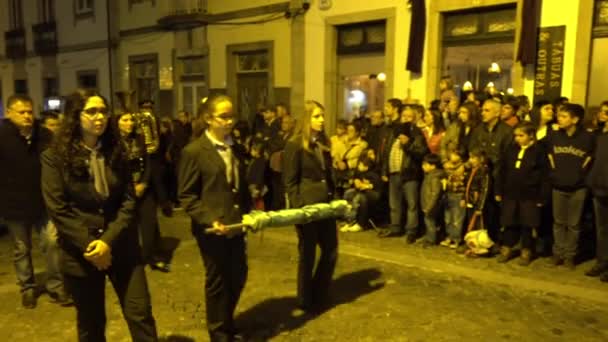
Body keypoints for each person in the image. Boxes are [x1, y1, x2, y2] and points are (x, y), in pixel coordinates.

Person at [41, 90, 157, 340]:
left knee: (140, 314)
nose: (99, 117)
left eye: (103, 111)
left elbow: (128, 201)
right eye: (91, 111)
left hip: (121, 245)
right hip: (82, 252)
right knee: (91, 324)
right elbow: (58, 209)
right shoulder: (55, 158)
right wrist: (92, 246)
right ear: (75, 116)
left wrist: (108, 241)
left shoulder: (118, 151)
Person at [178, 94, 251, 341]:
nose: (229, 121)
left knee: (239, 275)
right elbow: (187, 195)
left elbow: (238, 186)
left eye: (232, 116)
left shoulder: (236, 147)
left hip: (236, 224)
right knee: (218, 280)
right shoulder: (195, 151)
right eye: (223, 117)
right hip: (212, 228)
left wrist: (249, 211)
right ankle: (219, 332)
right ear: (208, 119)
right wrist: (209, 220)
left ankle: (227, 321)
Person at [0, 94, 70, 308]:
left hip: (43, 200)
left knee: (51, 241)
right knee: (21, 248)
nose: (27, 116)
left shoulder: (45, 135)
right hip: (13, 203)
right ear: (9, 113)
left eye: (30, 111)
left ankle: (56, 287)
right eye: (22, 112)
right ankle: (27, 287)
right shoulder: (2, 136)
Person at [283, 100, 338, 314]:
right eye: (316, 116)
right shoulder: (295, 144)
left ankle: (319, 292)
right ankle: (305, 298)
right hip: (307, 206)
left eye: (322, 116)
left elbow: (327, 174)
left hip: (326, 205)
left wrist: (334, 199)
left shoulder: (324, 142)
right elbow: (290, 181)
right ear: (307, 119)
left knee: (331, 251)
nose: (322, 120)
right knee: (307, 254)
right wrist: (298, 209)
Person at [114, 111, 169, 272]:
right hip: (125, 189)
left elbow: (148, 163)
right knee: (127, 225)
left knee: (149, 223)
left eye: (131, 119)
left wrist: (144, 183)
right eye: (125, 120)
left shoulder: (139, 139)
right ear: (117, 123)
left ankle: (150, 255)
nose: (129, 123)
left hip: (144, 187)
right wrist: (131, 187)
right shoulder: (114, 143)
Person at [546, 103, 595, 269]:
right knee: (558, 222)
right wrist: (553, 174)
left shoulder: (587, 138)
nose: (559, 119)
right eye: (559, 115)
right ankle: (558, 253)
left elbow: (591, 159)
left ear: (575, 119)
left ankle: (570, 255)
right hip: (558, 185)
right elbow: (548, 155)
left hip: (578, 187)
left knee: (574, 224)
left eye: (563, 116)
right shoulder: (554, 135)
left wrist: (583, 177)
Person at [497, 122, 549, 265]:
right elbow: (502, 170)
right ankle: (507, 248)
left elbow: (544, 175)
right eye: (516, 136)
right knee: (509, 222)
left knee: (527, 223)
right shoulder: (511, 149)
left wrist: (542, 196)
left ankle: (526, 250)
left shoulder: (538, 152)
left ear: (531, 136)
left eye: (521, 135)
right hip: (511, 192)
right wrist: (499, 189)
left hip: (530, 194)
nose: (517, 139)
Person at [378, 107, 429, 241]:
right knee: (394, 203)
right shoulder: (394, 133)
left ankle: (411, 231)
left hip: (409, 174)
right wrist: (385, 170)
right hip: (394, 173)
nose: (406, 119)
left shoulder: (417, 134)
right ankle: (395, 227)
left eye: (409, 116)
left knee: (411, 204)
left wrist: (408, 144)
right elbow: (387, 152)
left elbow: (421, 152)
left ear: (414, 118)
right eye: (404, 116)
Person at [586, 102, 608, 280]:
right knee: (601, 229)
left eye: (607, 112)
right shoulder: (598, 135)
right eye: (602, 111)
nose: (603, 114)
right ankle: (602, 261)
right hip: (598, 187)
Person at [341, 153, 382, 232]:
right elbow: (357, 183)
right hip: (362, 192)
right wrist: (356, 182)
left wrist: (364, 186)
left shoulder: (374, 175)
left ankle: (359, 223)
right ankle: (348, 220)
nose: (359, 166)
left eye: (361, 164)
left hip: (373, 194)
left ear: (366, 167)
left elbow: (374, 187)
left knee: (360, 198)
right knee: (348, 193)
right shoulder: (360, 173)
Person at [441, 150, 467, 249]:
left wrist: (464, 197)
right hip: (448, 193)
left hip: (458, 194)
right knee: (448, 218)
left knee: (457, 218)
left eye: (455, 154)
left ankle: (456, 238)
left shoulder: (463, 167)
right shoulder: (446, 167)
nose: (452, 156)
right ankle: (449, 236)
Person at [419, 154, 446, 247]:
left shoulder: (434, 177)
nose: (423, 167)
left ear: (433, 166)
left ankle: (431, 239)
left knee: (430, 222)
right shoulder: (429, 175)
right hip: (427, 203)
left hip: (431, 204)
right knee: (428, 221)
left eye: (425, 165)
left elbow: (435, 193)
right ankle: (429, 237)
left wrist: (429, 206)